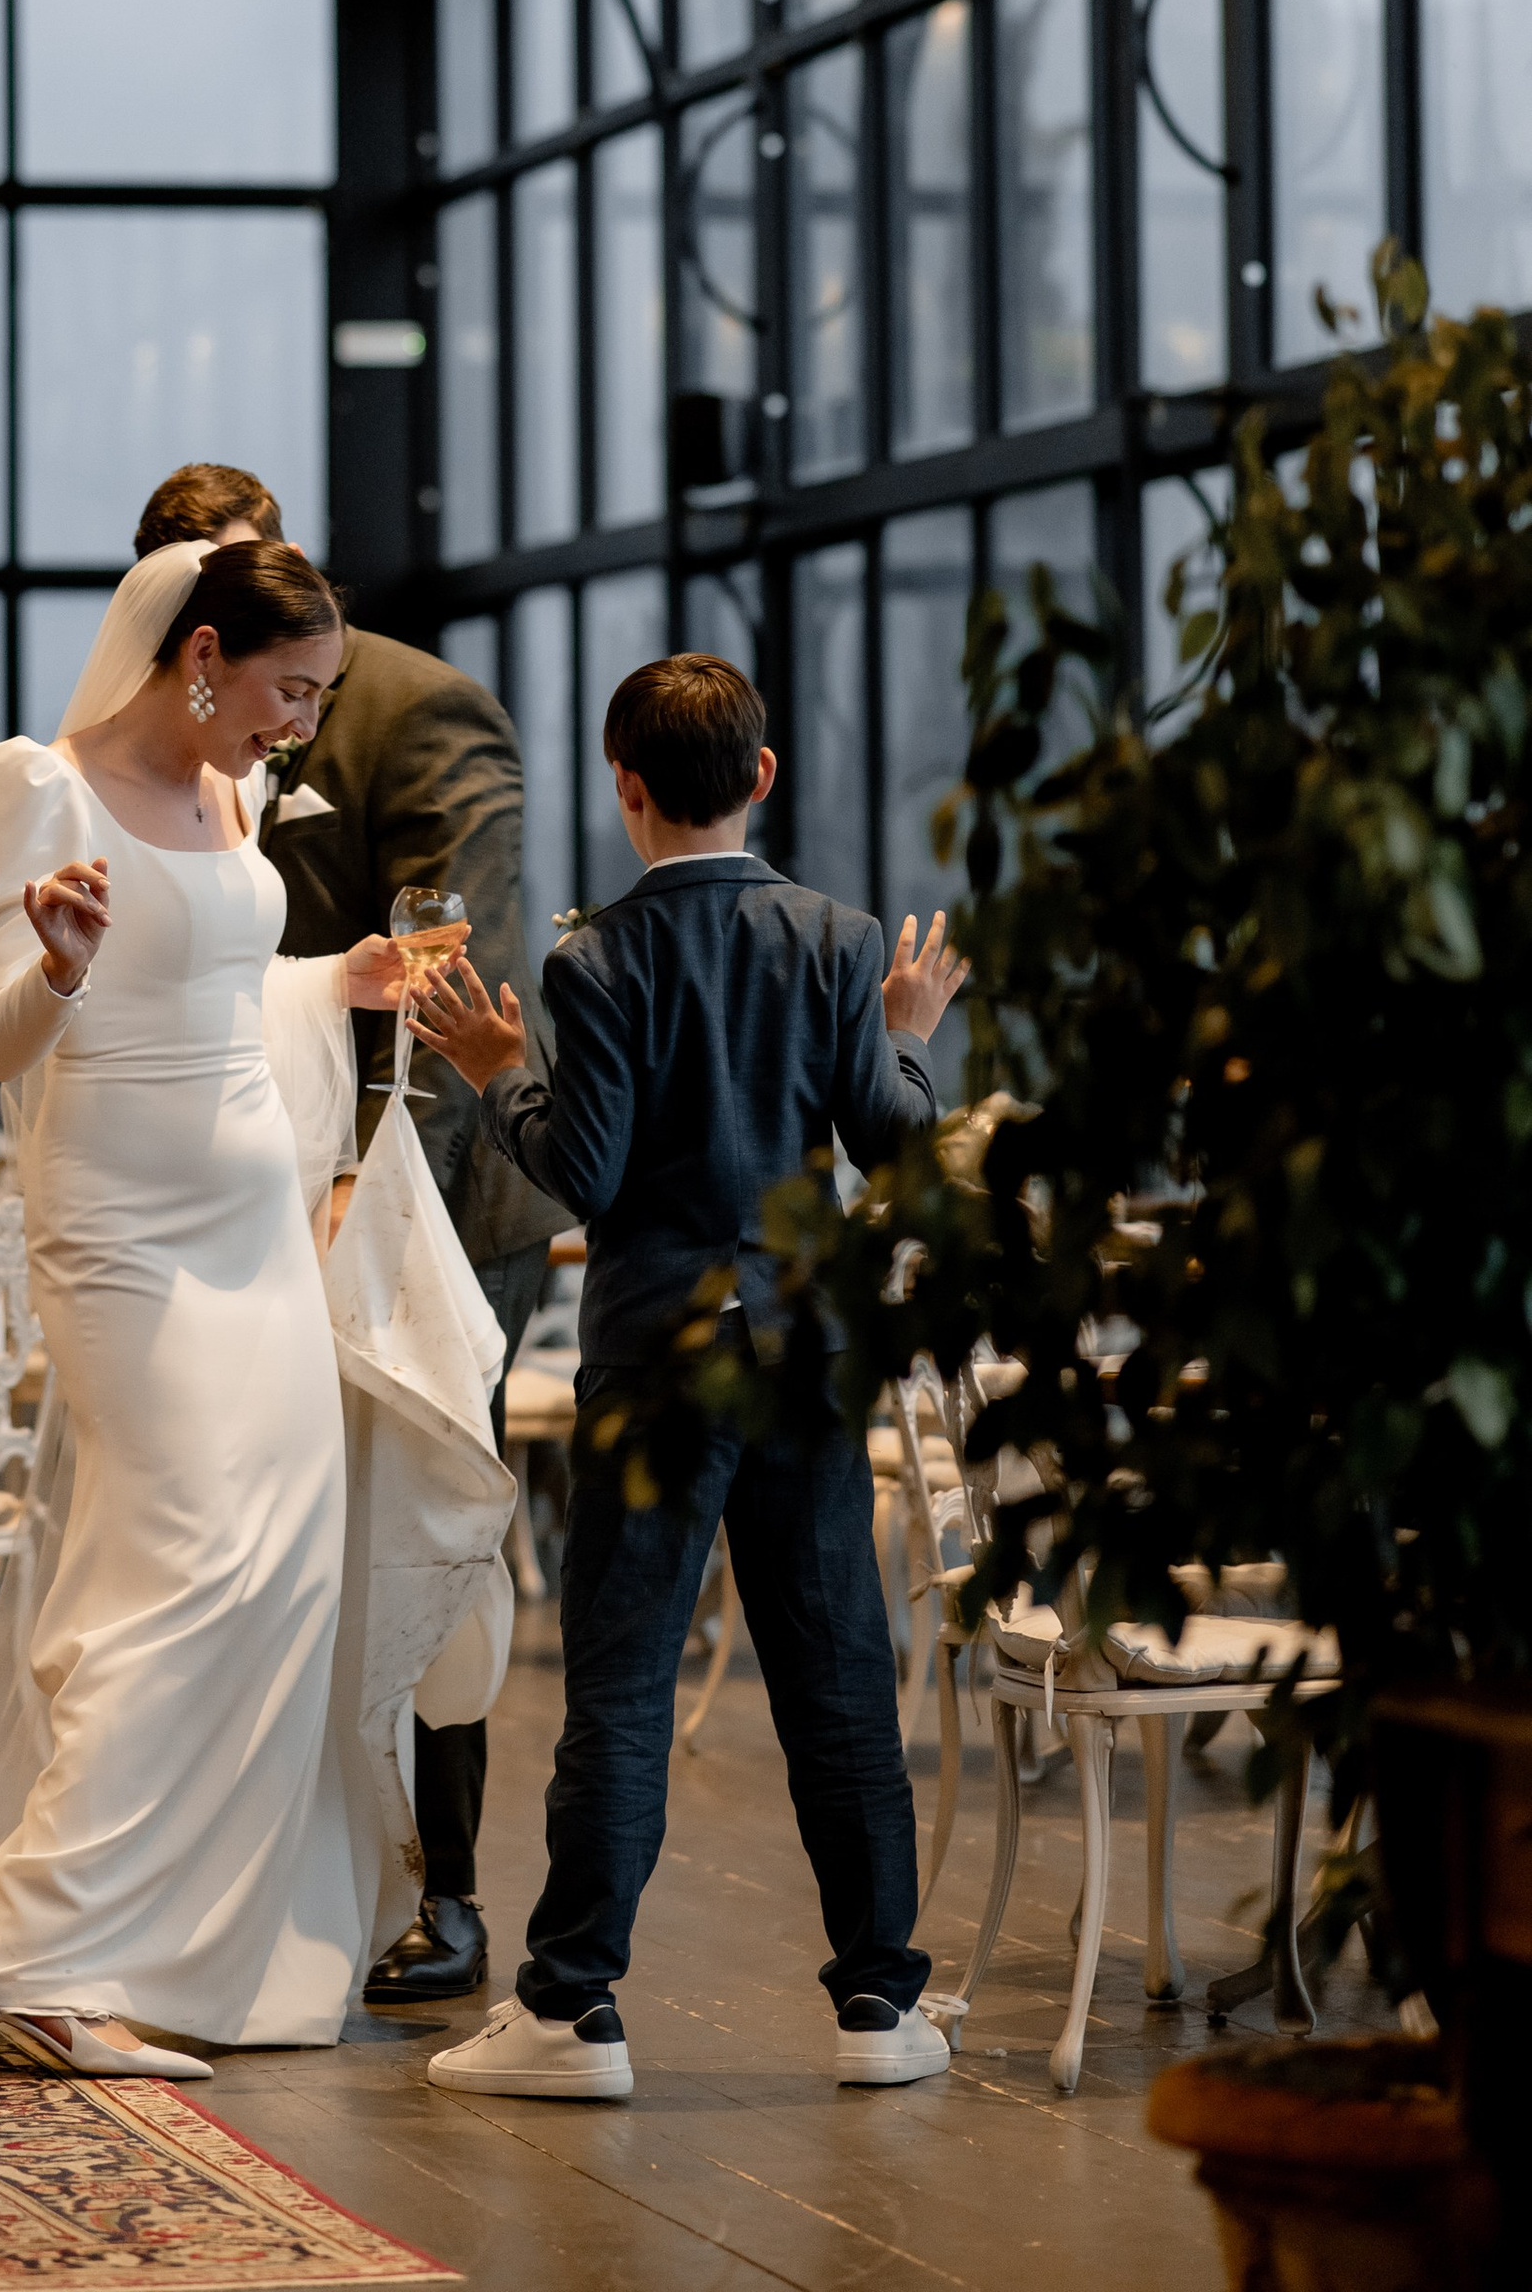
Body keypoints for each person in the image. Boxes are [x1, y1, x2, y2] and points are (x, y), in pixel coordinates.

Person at [0, 536, 508, 2076]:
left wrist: (341, 983)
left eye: (318, 697)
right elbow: (4, 1042)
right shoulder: (34, 787)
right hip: (125, 1242)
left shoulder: (222, 792)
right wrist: (56, 970)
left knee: (283, 1571)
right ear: (202, 654)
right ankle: (40, 1957)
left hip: (259, 1229)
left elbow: (217, 980)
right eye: (286, 689)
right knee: (185, 1567)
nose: (298, 726)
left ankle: (195, 1957)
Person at [407, 650, 968, 2102]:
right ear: (764, 779)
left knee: (624, 1688)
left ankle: (573, 2012)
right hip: (803, 1355)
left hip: (657, 1360)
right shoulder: (842, 942)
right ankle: (880, 2009)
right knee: (840, 1681)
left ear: (626, 789)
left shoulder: (593, 962)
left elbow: (579, 1172)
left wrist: (495, 1067)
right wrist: (906, 1042)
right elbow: (894, 1146)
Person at [131, 462, 567, 2006]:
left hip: (412, 1201)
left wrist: (360, 1174)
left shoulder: (416, 710)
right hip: (219, 1201)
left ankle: (443, 1893)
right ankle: (267, 1858)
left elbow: (453, 976)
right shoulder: (156, 728)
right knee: (242, 1538)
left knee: (416, 1529)